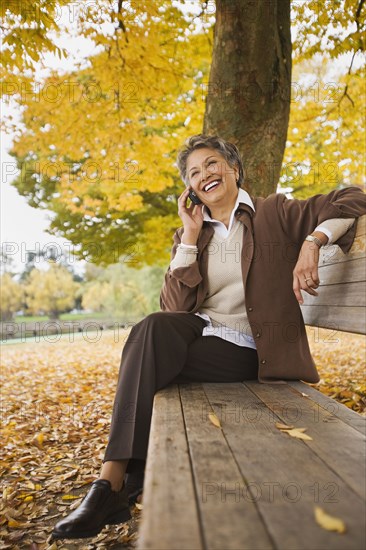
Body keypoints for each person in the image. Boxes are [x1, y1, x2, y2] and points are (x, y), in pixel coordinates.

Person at [52, 134, 366, 540]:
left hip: (251, 350)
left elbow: (353, 198)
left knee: (148, 366)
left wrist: (312, 242)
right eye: (194, 173)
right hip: (203, 337)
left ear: (234, 169)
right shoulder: (192, 235)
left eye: (212, 164)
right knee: (150, 329)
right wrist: (188, 235)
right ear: (190, 189)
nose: (205, 175)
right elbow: (174, 308)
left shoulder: (274, 211)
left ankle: (117, 486)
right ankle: (110, 481)